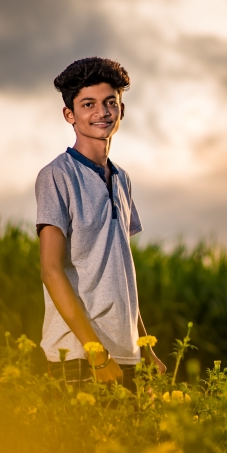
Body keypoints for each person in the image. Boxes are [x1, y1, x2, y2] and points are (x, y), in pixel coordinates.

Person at [35, 57, 165, 389]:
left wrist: (144, 347)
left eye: (110, 103)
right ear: (70, 115)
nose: (102, 112)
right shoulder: (57, 176)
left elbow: (120, 272)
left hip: (125, 353)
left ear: (122, 110)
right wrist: (96, 355)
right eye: (88, 104)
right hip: (80, 356)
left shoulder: (122, 179)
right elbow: (50, 269)